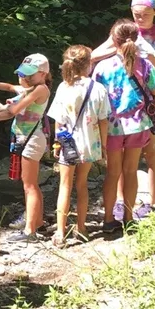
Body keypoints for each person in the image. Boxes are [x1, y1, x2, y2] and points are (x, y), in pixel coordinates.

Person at [93, 0, 155, 220]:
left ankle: (152, 201)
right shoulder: (124, 32)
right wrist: (114, 51)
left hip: (150, 104)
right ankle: (122, 204)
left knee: (150, 153)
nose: (139, 19)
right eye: (135, 14)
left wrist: (150, 58)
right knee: (122, 159)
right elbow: (92, 57)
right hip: (120, 108)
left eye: (144, 15)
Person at [91, 20, 155, 234]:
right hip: (138, 125)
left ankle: (108, 220)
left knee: (113, 173)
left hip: (111, 127)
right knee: (131, 171)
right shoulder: (144, 64)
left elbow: (95, 98)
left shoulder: (102, 67)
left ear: (113, 40)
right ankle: (129, 218)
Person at [0, 54, 52, 243]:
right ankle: (38, 221)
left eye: (29, 76)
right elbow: (9, 87)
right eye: (23, 75)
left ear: (43, 74)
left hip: (32, 140)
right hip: (25, 139)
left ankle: (29, 231)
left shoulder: (40, 89)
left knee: (29, 185)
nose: (24, 79)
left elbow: (12, 111)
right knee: (31, 184)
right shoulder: (29, 88)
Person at [47, 45, 110, 247]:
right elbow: (103, 120)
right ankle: (81, 228)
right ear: (89, 65)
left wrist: (57, 142)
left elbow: (58, 120)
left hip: (68, 143)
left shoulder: (63, 87)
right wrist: (104, 147)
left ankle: (59, 231)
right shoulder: (98, 88)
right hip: (90, 144)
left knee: (64, 186)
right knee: (81, 184)